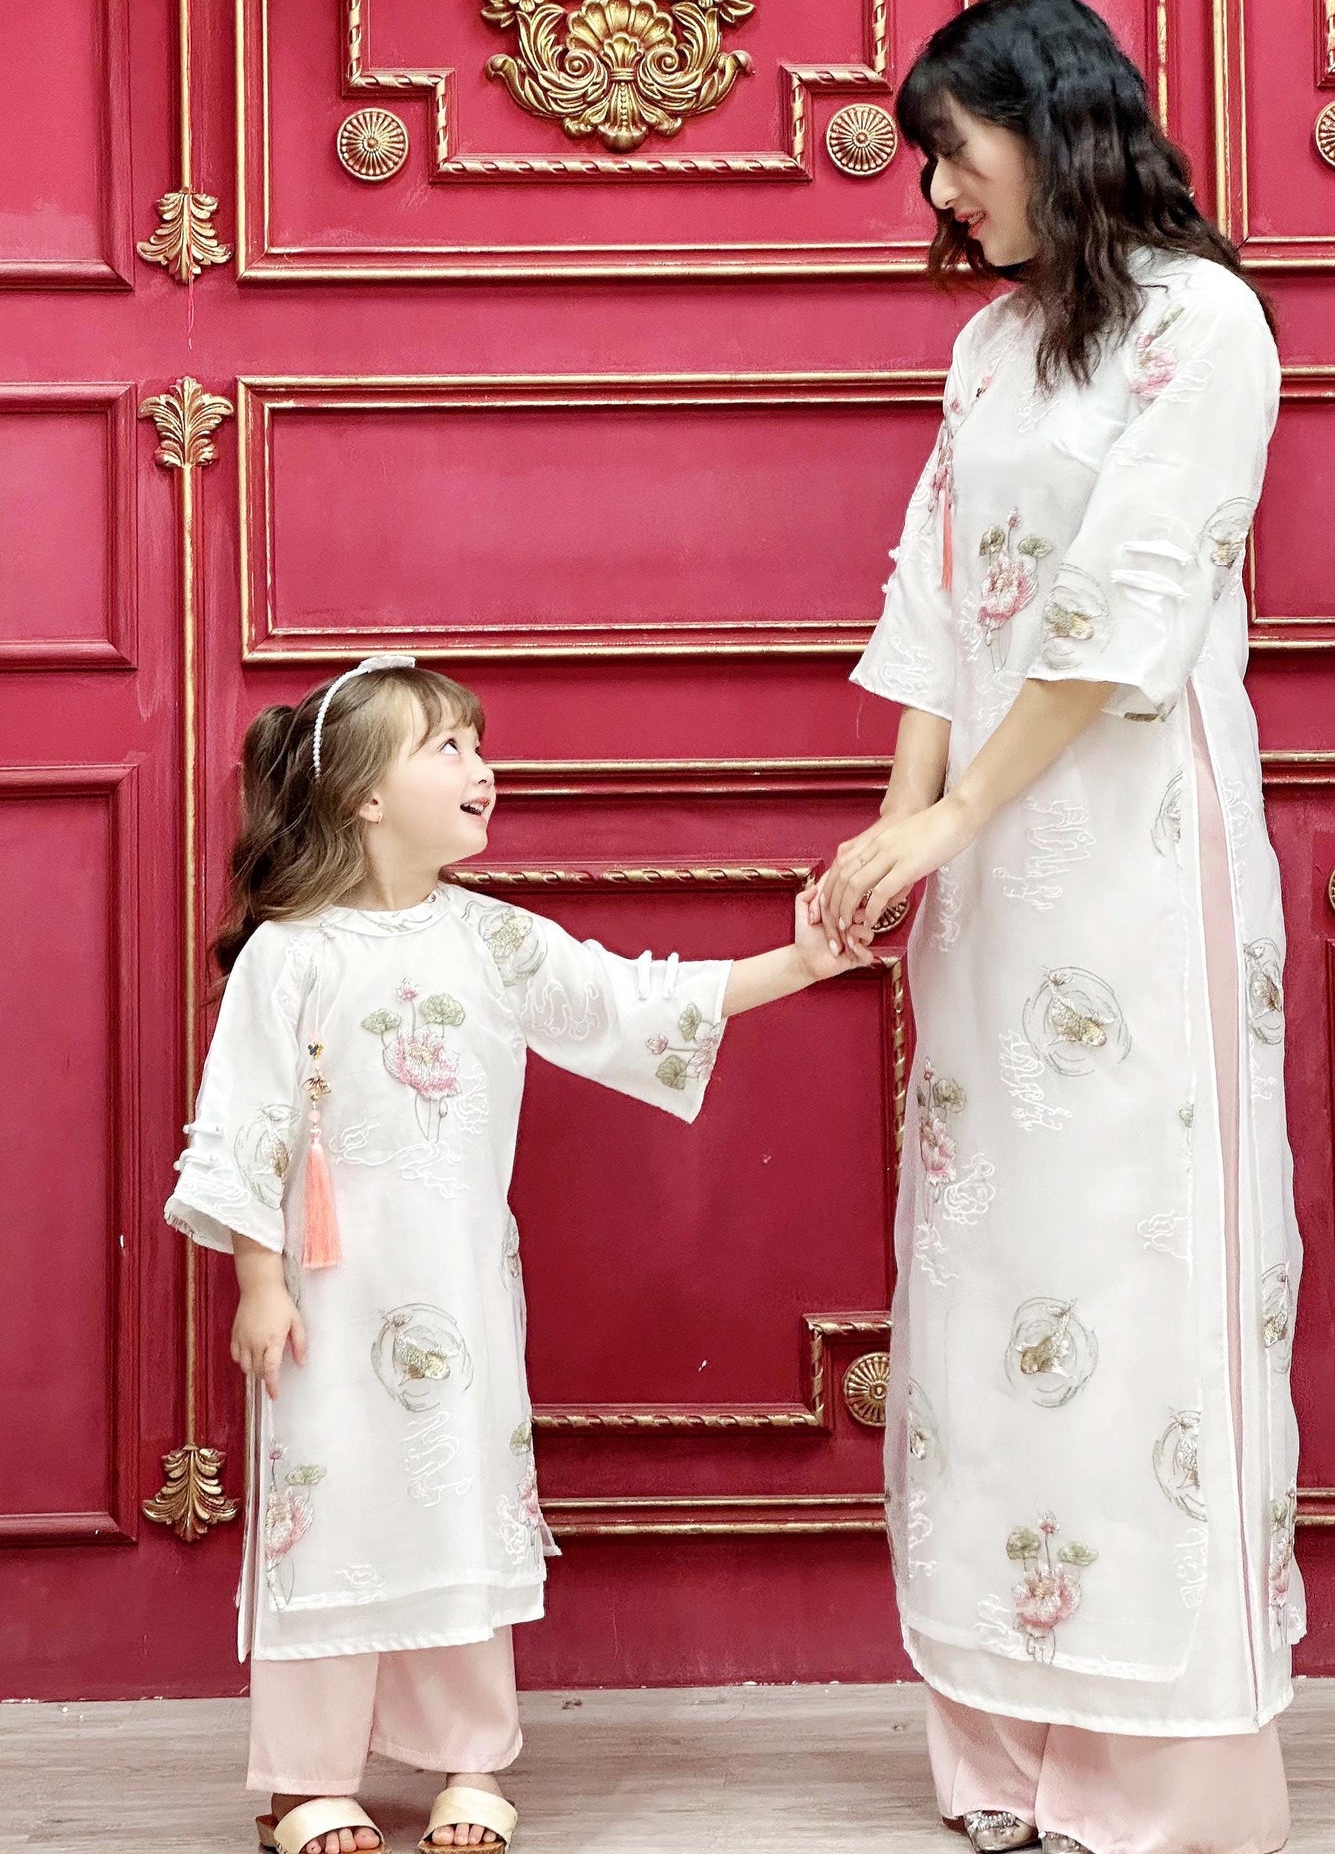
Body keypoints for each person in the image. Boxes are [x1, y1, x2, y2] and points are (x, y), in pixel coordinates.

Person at [816, 0, 1301, 1854]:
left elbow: (1120, 612)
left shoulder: (1208, 324)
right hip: (984, 874)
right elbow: (938, 598)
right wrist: (896, 830)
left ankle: (1147, 1763)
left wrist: (951, 814)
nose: (940, 187)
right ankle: (1007, 1748)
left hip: (1133, 846)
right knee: (993, 1259)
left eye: (956, 145)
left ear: (1054, 120)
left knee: (1136, 1256)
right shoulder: (996, 347)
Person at [165, 656, 871, 1854]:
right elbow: (246, 1120)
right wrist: (260, 1279)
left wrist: (801, 962)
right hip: (326, 1297)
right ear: (363, 796)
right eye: (446, 747)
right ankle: (307, 1774)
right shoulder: (292, 956)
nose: (481, 767)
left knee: (456, 1500)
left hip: (457, 1288)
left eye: (478, 746)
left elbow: (628, 1005)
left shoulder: (496, 942)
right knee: (321, 1509)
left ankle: (469, 1756)